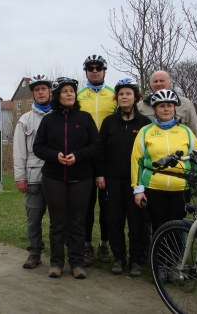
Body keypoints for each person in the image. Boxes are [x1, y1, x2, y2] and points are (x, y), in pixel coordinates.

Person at [33, 77, 102, 279]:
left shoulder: (85, 118)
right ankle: (56, 262)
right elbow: (38, 147)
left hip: (81, 178)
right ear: (57, 96)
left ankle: (77, 262)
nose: (70, 94)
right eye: (65, 91)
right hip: (53, 177)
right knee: (57, 222)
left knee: (77, 222)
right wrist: (55, 156)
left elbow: (97, 145)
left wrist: (78, 156)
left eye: (72, 90)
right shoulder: (48, 120)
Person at [131, 89, 197, 237]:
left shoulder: (185, 131)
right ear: (154, 109)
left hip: (180, 189)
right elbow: (137, 161)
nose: (166, 109)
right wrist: (138, 189)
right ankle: (158, 260)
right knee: (158, 228)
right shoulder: (145, 131)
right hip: (153, 187)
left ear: (175, 108)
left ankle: (176, 261)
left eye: (169, 105)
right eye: (161, 106)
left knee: (178, 227)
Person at [95, 78, 151, 277]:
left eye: (128, 93)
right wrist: (100, 174)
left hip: (137, 182)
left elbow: (149, 155)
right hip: (112, 180)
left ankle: (136, 260)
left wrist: (144, 182)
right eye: (121, 94)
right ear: (116, 98)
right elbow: (100, 150)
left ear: (136, 97)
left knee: (137, 222)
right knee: (114, 220)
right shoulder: (109, 122)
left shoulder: (145, 123)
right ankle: (119, 258)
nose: (124, 97)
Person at [77, 55, 117, 265]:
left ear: (104, 70)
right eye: (90, 68)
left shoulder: (114, 96)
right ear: (85, 71)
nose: (94, 70)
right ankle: (86, 246)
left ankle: (104, 245)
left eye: (98, 67)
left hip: (108, 159)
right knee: (86, 206)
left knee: (107, 207)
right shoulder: (78, 95)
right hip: (85, 158)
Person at [13, 74, 52, 269]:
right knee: (34, 219)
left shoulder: (60, 116)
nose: (41, 92)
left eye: (44, 89)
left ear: (50, 91)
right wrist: (20, 177)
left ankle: (59, 256)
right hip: (34, 177)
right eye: (37, 90)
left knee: (59, 220)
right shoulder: (25, 120)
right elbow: (19, 150)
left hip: (57, 178)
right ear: (33, 94)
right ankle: (34, 253)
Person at [137, 70, 197, 143]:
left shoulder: (185, 104)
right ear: (151, 84)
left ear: (170, 83)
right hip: (152, 151)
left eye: (162, 81)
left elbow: (195, 131)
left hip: (180, 150)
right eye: (155, 81)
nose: (158, 84)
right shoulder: (141, 106)